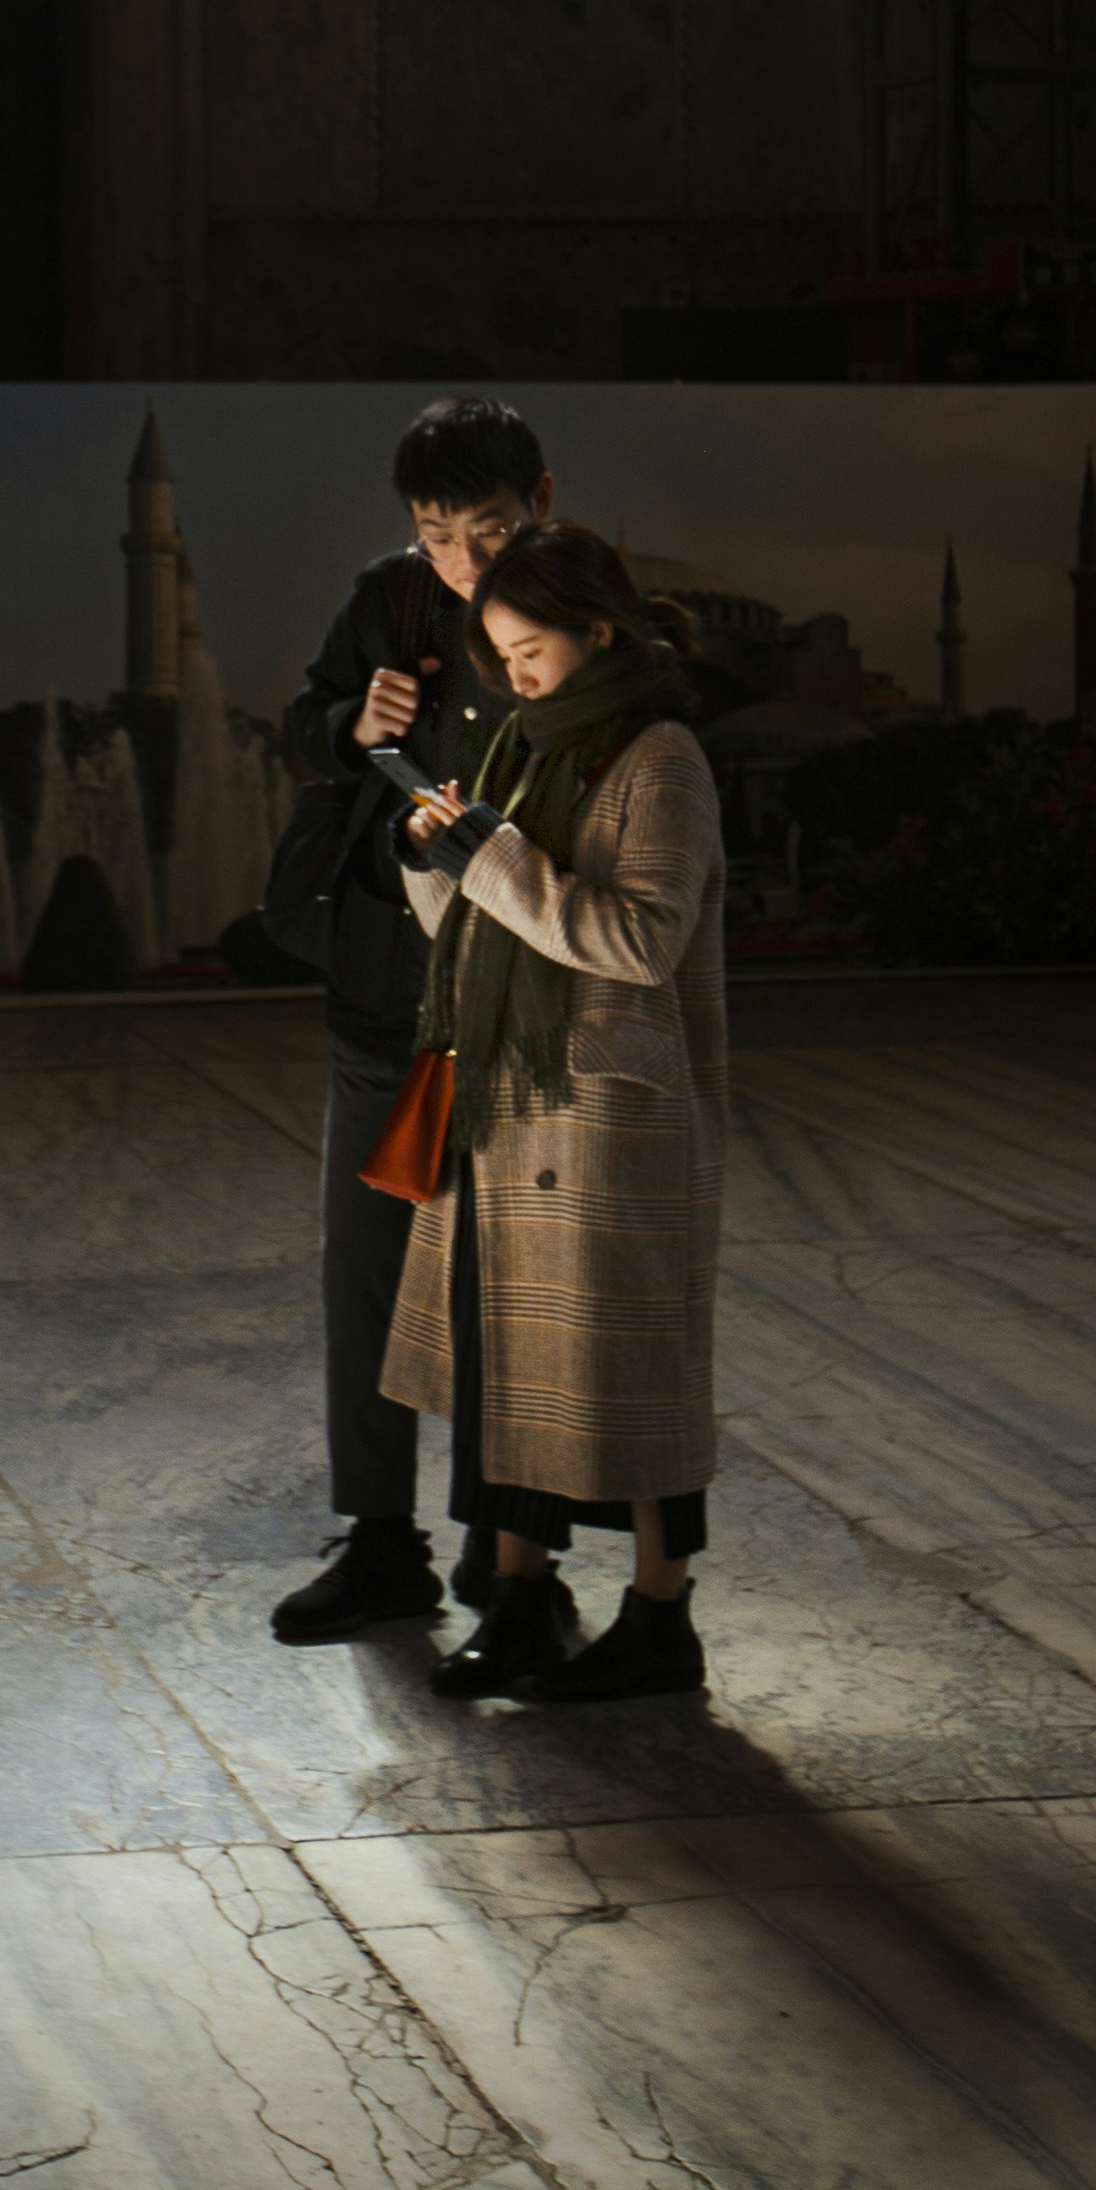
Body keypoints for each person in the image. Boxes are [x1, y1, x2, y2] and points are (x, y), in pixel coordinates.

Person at [382, 516, 727, 1707]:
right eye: (501, 656)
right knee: (513, 1368)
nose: (514, 677)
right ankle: (518, 1603)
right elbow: (483, 927)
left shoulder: (659, 756)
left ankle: (660, 1618)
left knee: (635, 1375)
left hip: (607, 1116)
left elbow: (639, 941)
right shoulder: (525, 745)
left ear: (598, 633)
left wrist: (488, 858)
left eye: (530, 652)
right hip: (511, 1095)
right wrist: (433, 859)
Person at [264, 393, 554, 1644]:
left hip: (520, 997)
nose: (463, 561)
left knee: (513, 1288)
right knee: (366, 1273)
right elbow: (304, 727)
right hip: (387, 988)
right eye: (438, 534)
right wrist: (352, 724)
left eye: (487, 530)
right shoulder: (387, 598)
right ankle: (380, 1538)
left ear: (540, 503)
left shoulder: (581, 606)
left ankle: (510, 1553)